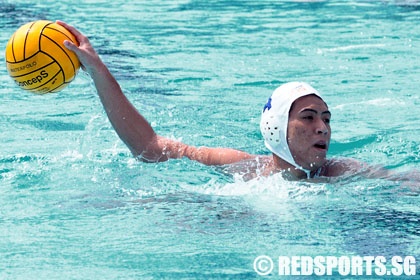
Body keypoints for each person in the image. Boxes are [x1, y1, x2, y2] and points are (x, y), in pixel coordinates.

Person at [56, 21, 415, 183]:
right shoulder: (244, 169)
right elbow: (148, 147)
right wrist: (99, 71)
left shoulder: (341, 172)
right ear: (275, 127)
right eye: (307, 117)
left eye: (326, 117)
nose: (323, 127)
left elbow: (404, 180)